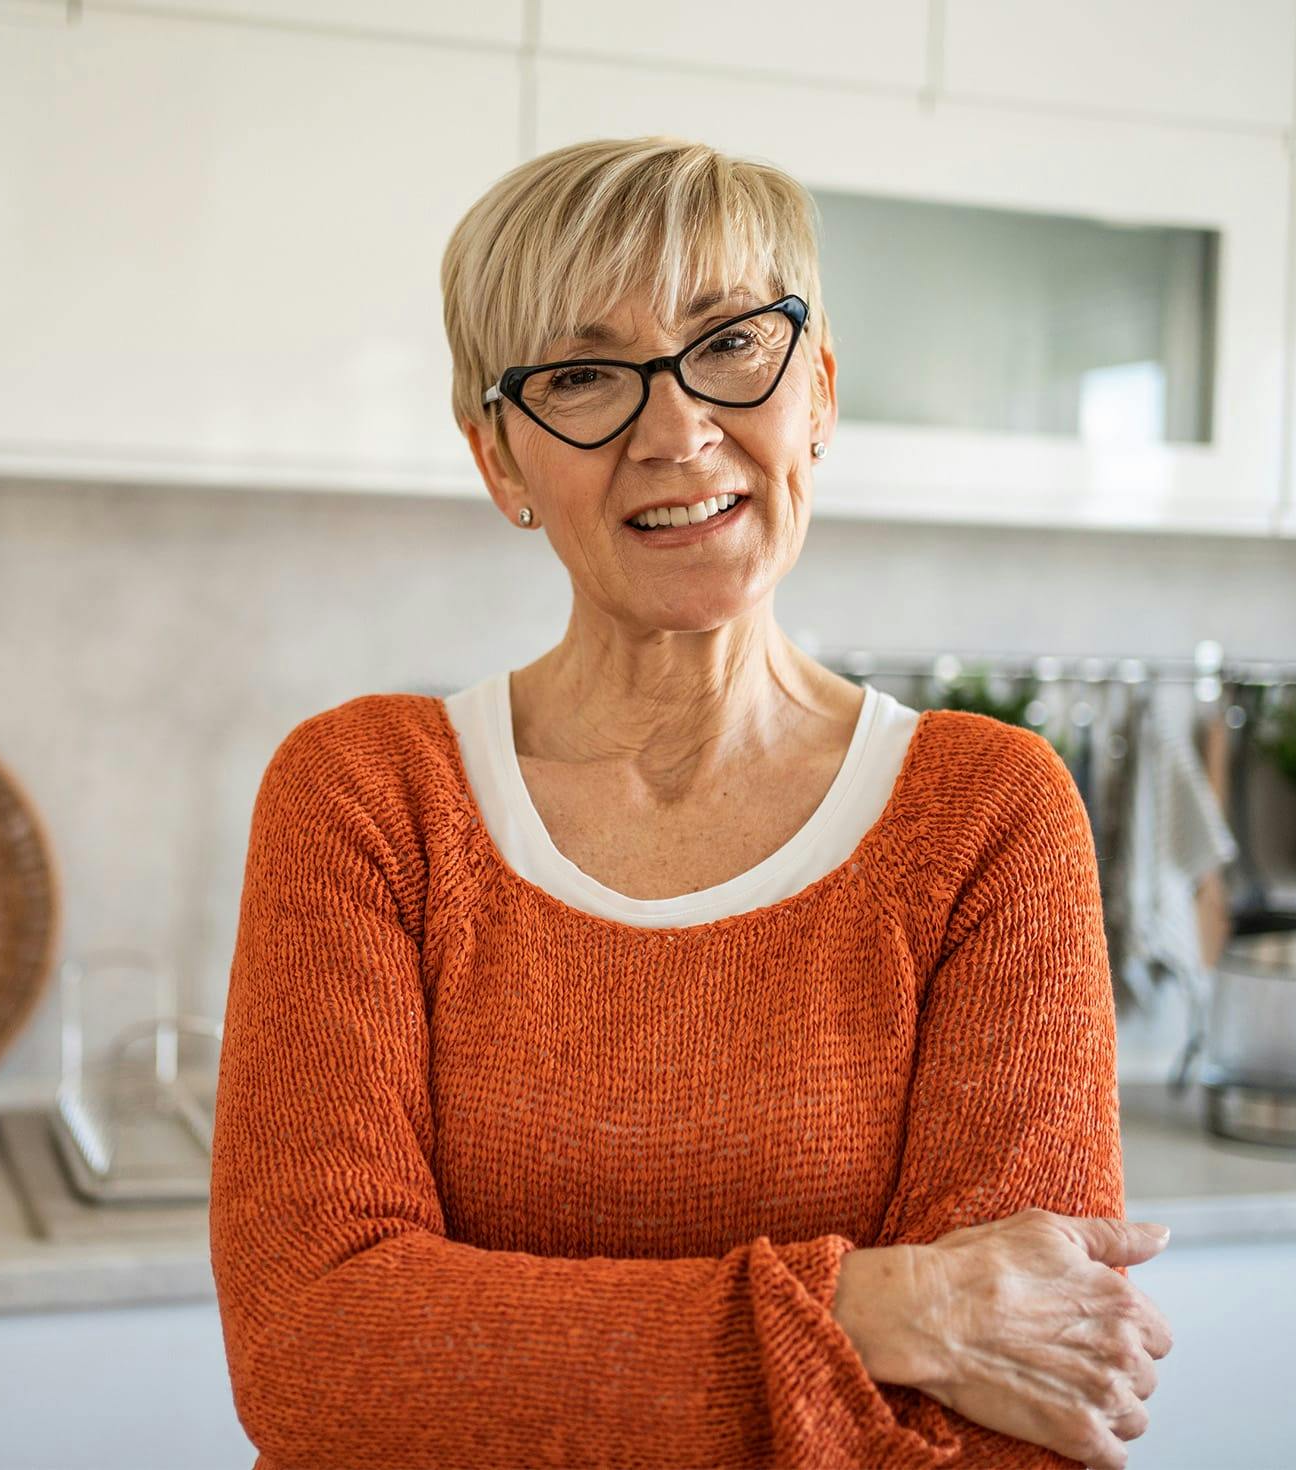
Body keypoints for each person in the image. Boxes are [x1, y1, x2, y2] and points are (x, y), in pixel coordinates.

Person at [209, 136, 1174, 1470]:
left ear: (818, 390)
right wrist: (869, 1309)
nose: (676, 430)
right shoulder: (367, 795)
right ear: (500, 456)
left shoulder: (983, 815)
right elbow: (314, 1346)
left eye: (730, 343)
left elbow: (1016, 1411)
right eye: (585, 373)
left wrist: (486, 1367)